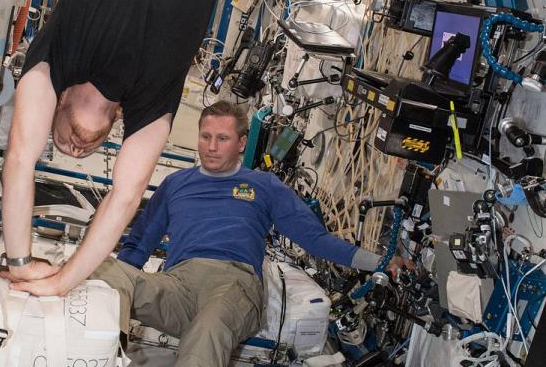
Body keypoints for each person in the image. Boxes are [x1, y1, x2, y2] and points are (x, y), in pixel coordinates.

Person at [0, 0, 354, 296]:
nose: (73, 149)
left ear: (57, 105)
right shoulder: (150, 105)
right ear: (114, 130)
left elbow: (18, 159)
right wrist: (63, 283)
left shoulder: (56, 60)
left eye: (60, 143)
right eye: (85, 152)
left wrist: (20, 262)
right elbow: (125, 198)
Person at [90, 101, 413, 366]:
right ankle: (103, 354)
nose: (211, 147)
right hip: (178, 285)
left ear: (242, 143)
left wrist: (380, 262)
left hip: (233, 284)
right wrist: (123, 290)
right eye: (206, 137)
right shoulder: (176, 185)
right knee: (99, 269)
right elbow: (139, 244)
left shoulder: (263, 185)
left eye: (222, 138)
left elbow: (315, 239)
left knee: (208, 331)